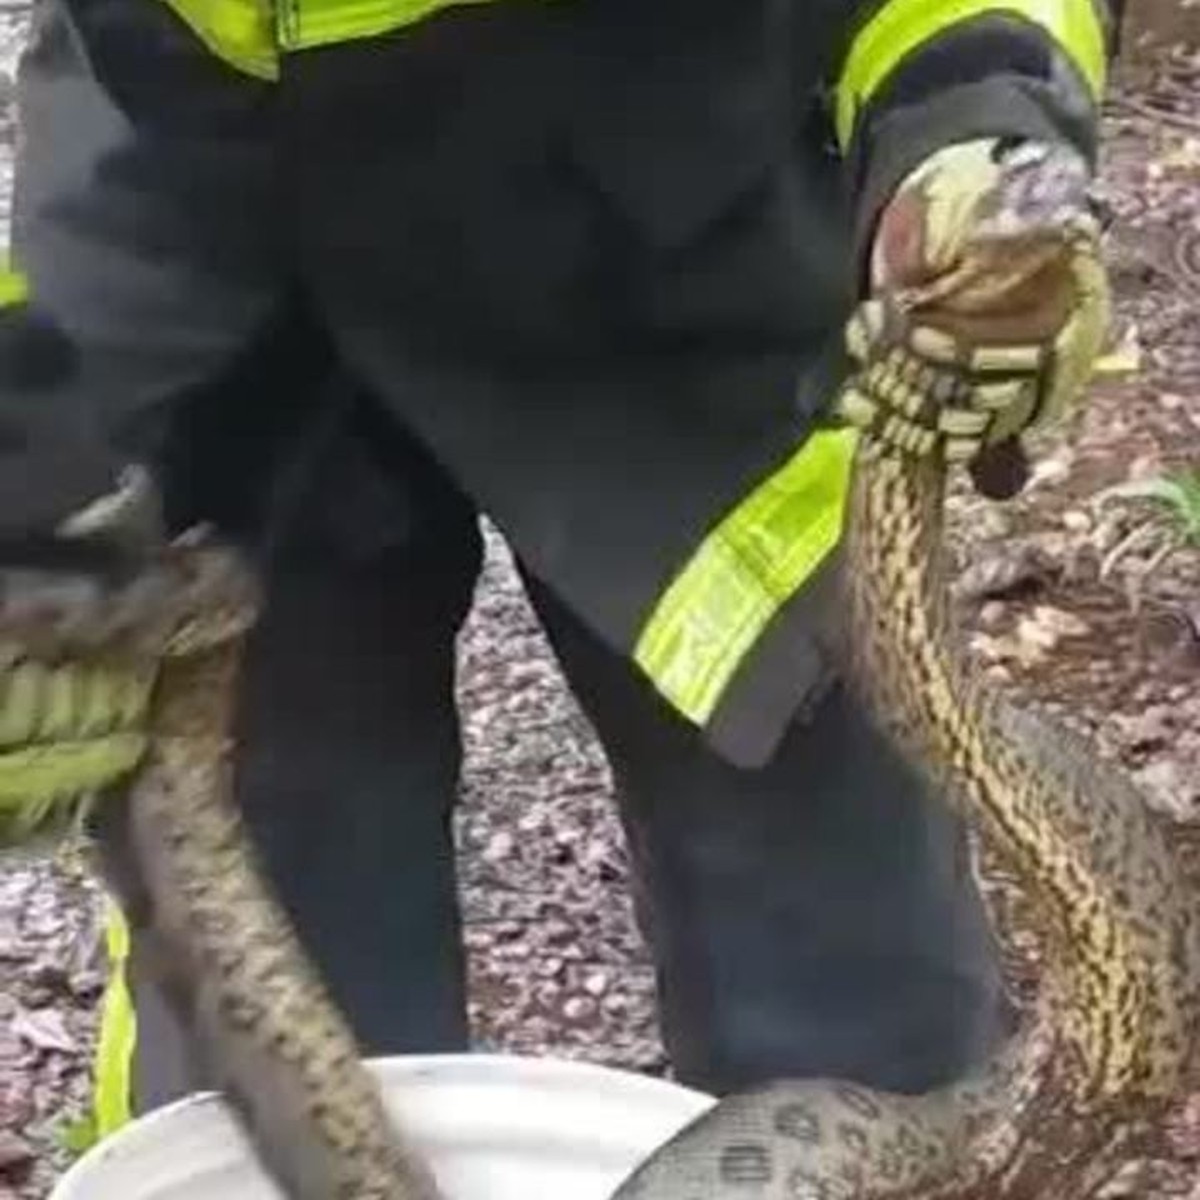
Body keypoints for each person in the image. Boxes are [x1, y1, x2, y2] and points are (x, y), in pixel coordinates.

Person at [0, 0, 1116, 1139]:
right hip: (230, 268)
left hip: (697, 237)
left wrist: (980, 122)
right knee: (267, 1008)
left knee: (851, 976)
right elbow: (124, 140)